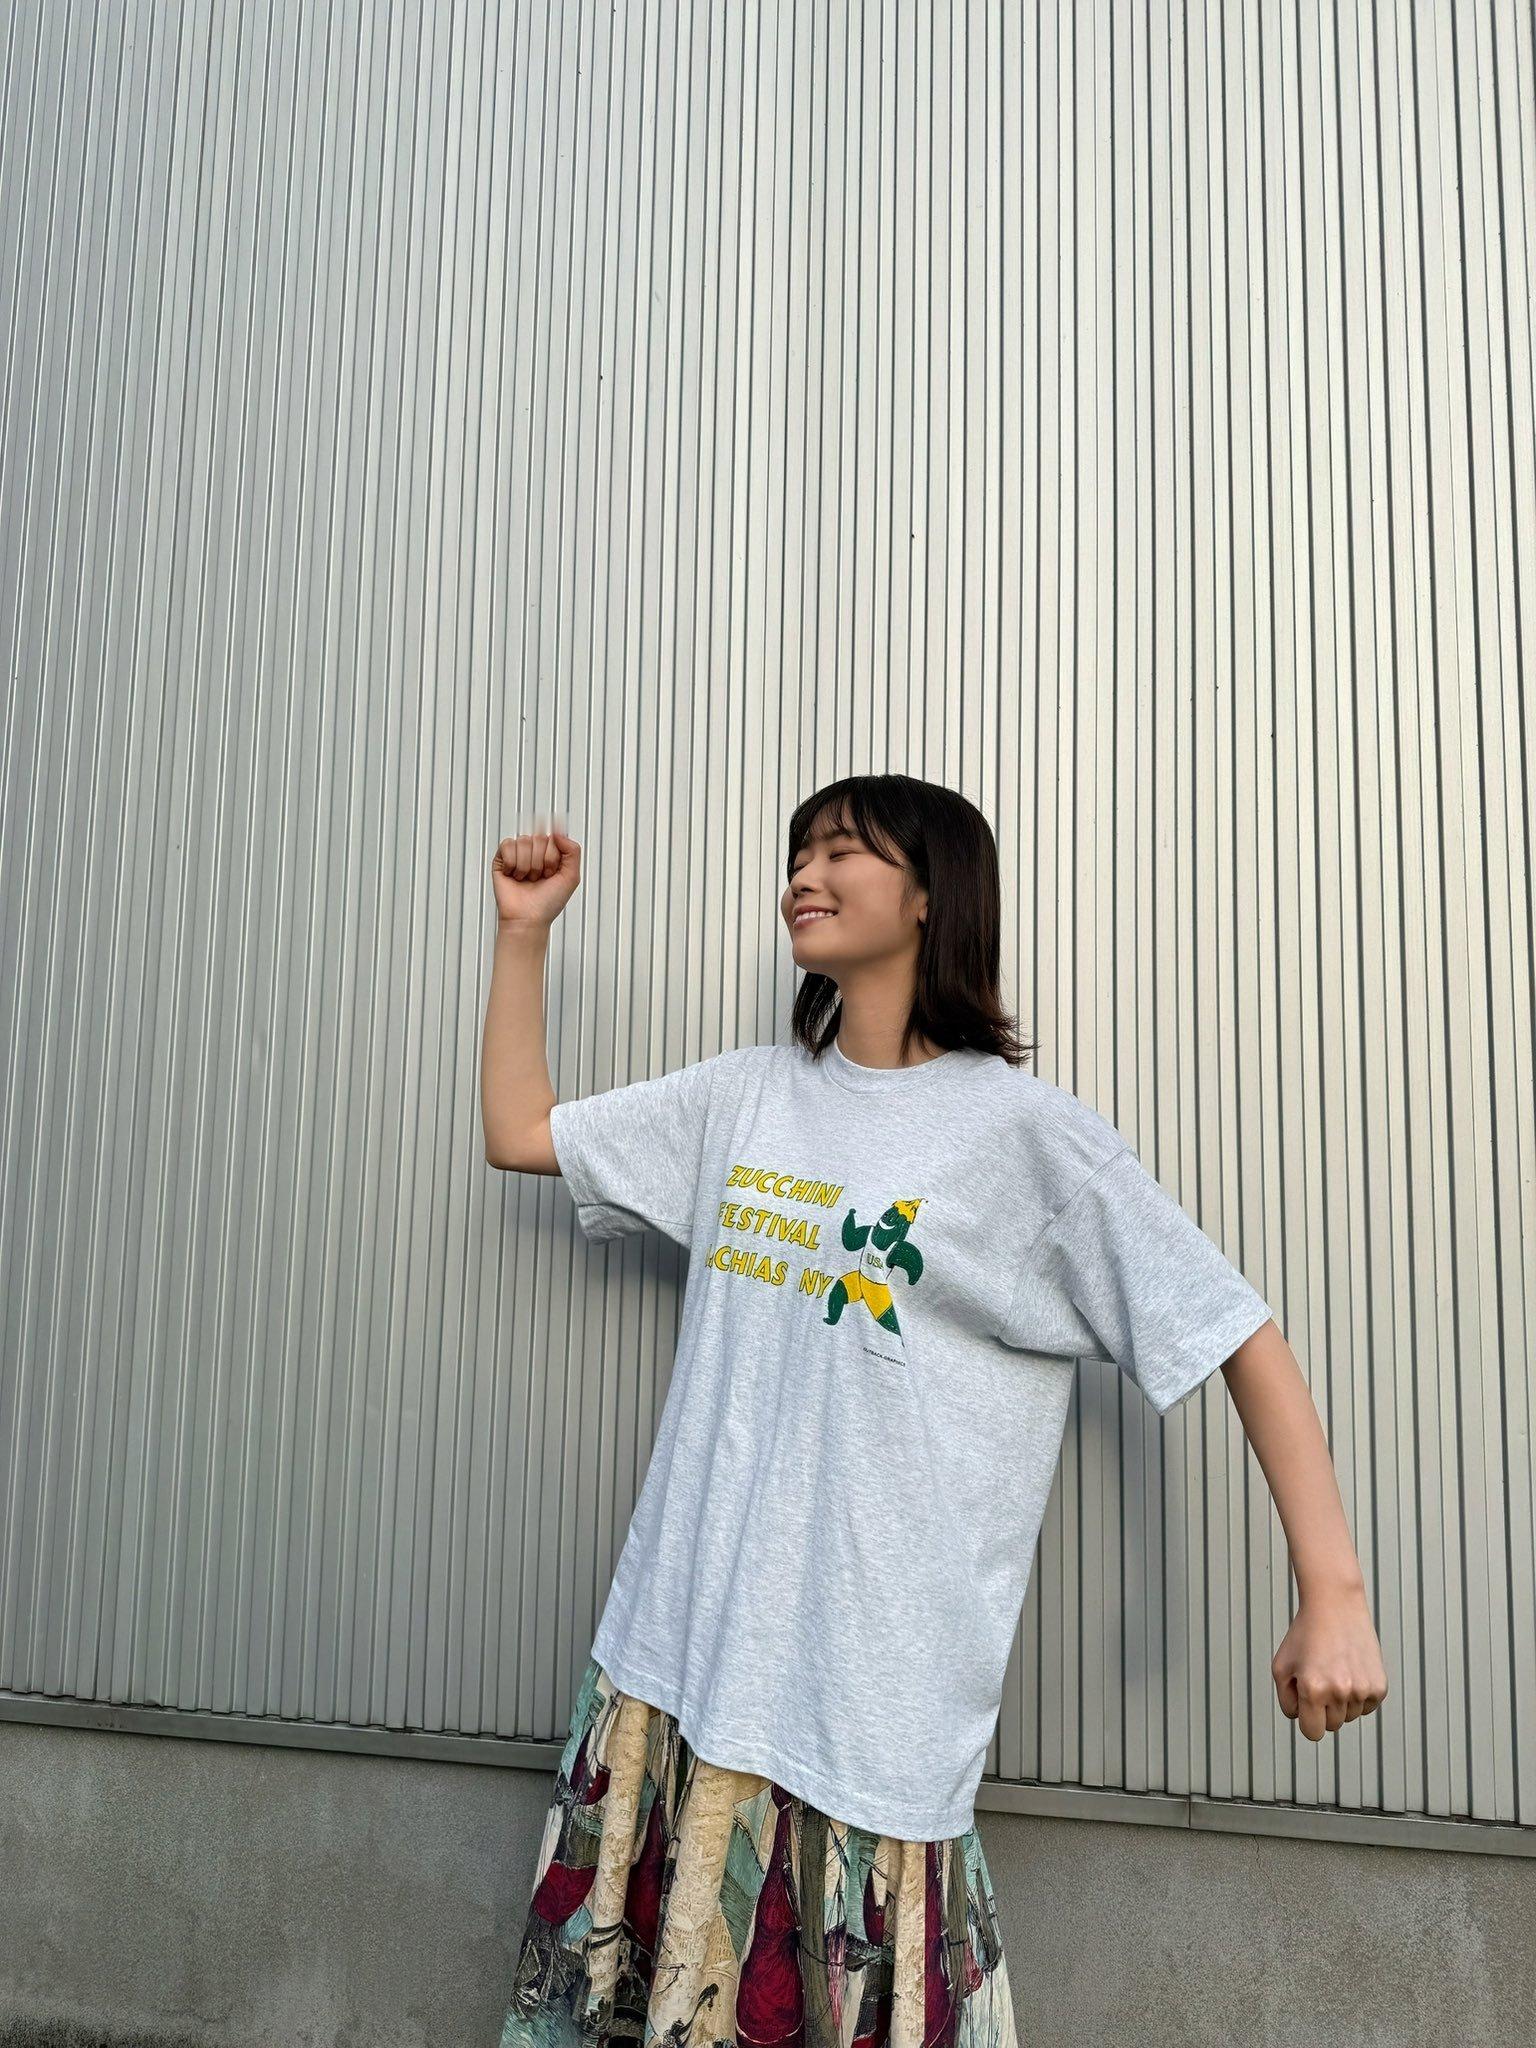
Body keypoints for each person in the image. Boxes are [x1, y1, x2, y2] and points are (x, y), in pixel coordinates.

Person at [481, 772, 1387, 2047]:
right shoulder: (746, 1097)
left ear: (928, 894)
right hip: (676, 1661)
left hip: (863, 1711)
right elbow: (522, 1129)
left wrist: (1334, 1594)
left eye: (842, 849)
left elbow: (1233, 1328)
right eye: (799, 849)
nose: (804, 872)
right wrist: (524, 933)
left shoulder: (1024, 1137)